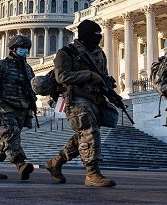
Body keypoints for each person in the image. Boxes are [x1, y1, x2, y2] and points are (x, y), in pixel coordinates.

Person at [44, 20, 116, 187]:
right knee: (89, 131)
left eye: (100, 35)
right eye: (95, 35)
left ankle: (56, 163)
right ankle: (92, 173)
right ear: (84, 35)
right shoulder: (66, 53)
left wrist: (109, 92)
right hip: (76, 97)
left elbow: (103, 76)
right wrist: (88, 75)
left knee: (81, 137)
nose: (98, 38)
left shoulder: (99, 53)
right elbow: (61, 76)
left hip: (95, 98)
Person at [0, 35, 36, 180]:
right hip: (3, 105)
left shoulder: (28, 69)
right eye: (21, 48)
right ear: (12, 49)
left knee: (6, 138)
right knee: (11, 133)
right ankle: (20, 164)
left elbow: (31, 88)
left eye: (26, 48)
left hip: (21, 107)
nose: (24, 51)